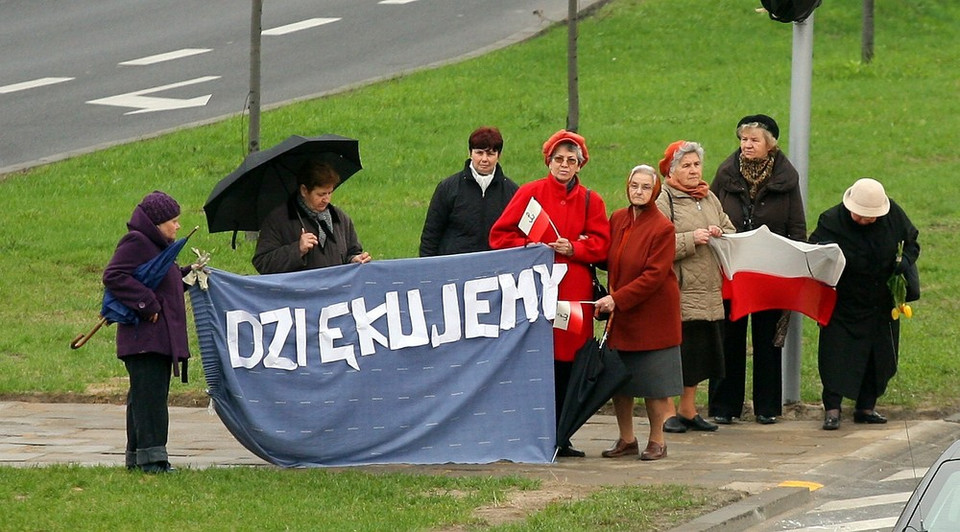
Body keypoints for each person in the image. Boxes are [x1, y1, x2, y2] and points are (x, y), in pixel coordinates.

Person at [489, 129, 611, 458]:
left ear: (580, 165)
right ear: (549, 161)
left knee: (570, 363)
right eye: (559, 159)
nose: (564, 165)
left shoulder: (591, 200)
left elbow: (602, 245)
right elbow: (499, 236)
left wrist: (574, 247)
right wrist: (531, 247)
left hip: (573, 295)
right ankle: (532, 431)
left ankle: (563, 433)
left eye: (572, 160)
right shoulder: (530, 194)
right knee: (537, 361)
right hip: (534, 292)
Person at [709, 114, 806, 425]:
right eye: (743, 139)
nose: (746, 145)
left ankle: (766, 407)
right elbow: (710, 210)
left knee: (767, 339)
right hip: (733, 269)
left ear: (769, 145)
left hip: (769, 269)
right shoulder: (726, 173)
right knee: (729, 337)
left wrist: (793, 260)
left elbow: (796, 225)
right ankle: (724, 406)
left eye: (753, 140)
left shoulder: (786, 178)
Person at [809, 178, 919, 430]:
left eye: (871, 217)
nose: (865, 220)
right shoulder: (831, 220)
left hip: (881, 302)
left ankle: (866, 406)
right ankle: (833, 409)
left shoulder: (894, 215)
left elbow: (912, 242)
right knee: (836, 356)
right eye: (860, 216)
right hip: (844, 302)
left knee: (879, 357)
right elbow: (813, 250)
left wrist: (905, 262)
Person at [596, 165, 682, 461]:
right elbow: (606, 256)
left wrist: (615, 299)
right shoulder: (618, 218)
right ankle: (626, 438)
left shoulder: (663, 228)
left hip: (653, 317)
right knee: (620, 382)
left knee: (653, 384)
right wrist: (575, 248)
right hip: (622, 315)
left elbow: (653, 277)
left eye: (646, 187)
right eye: (634, 185)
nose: (639, 191)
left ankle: (657, 440)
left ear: (655, 191)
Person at [102, 191, 193, 473]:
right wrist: (146, 304)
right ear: (156, 222)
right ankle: (153, 462)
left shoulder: (157, 247)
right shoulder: (137, 242)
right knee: (150, 401)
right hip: (145, 339)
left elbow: (164, 284)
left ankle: (138, 458)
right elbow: (114, 275)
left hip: (154, 339)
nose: (177, 226)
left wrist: (190, 274)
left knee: (143, 399)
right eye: (173, 221)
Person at [655, 141, 736, 434]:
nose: (693, 171)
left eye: (696, 165)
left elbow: (730, 230)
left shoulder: (709, 197)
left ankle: (688, 409)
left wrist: (719, 233)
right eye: (686, 166)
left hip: (709, 291)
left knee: (700, 354)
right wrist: (692, 238)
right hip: (679, 291)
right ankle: (666, 413)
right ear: (672, 170)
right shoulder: (664, 200)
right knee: (674, 355)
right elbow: (656, 244)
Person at [253, 160, 371, 274]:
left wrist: (354, 260)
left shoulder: (341, 219)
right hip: (300, 292)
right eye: (321, 194)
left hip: (337, 292)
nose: (327, 199)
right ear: (304, 190)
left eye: (330, 193)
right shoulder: (278, 220)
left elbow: (352, 252)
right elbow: (262, 262)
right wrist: (297, 250)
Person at [419, 127, 519, 257]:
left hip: (494, 269)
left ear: (498, 156)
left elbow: (520, 235)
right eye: (479, 153)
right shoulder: (448, 188)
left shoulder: (512, 192)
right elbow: (431, 235)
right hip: (454, 267)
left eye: (490, 154)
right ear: (470, 153)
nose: (484, 159)